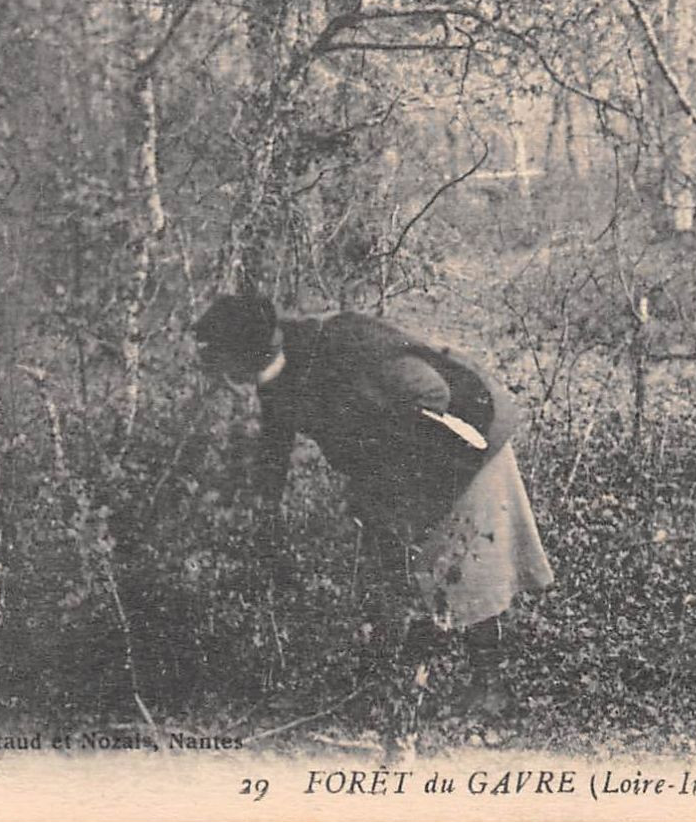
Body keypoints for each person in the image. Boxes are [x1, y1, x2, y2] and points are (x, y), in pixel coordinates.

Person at [191, 295, 554, 716]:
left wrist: (393, 486)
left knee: (468, 561)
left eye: (225, 369)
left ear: (244, 360)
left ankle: (490, 685)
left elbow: (430, 395)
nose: (224, 381)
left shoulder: (345, 351)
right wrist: (264, 519)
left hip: (465, 436)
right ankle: (384, 678)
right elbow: (276, 440)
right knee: (387, 563)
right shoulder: (279, 365)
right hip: (411, 456)